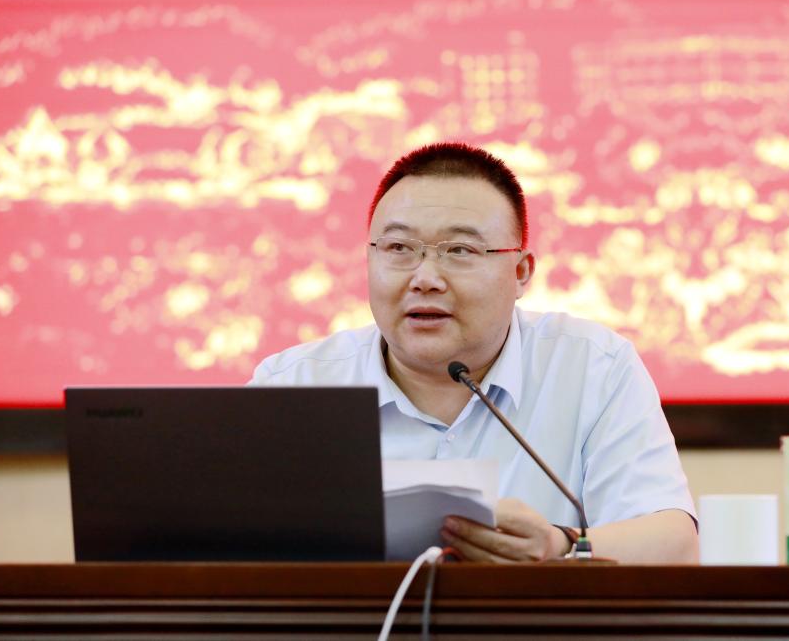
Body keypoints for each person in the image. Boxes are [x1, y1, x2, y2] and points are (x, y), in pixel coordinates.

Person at [249, 142, 697, 563]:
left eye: (459, 250)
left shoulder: (593, 367)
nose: (425, 278)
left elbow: (674, 543)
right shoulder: (291, 386)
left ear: (521, 273)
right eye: (399, 248)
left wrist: (560, 546)